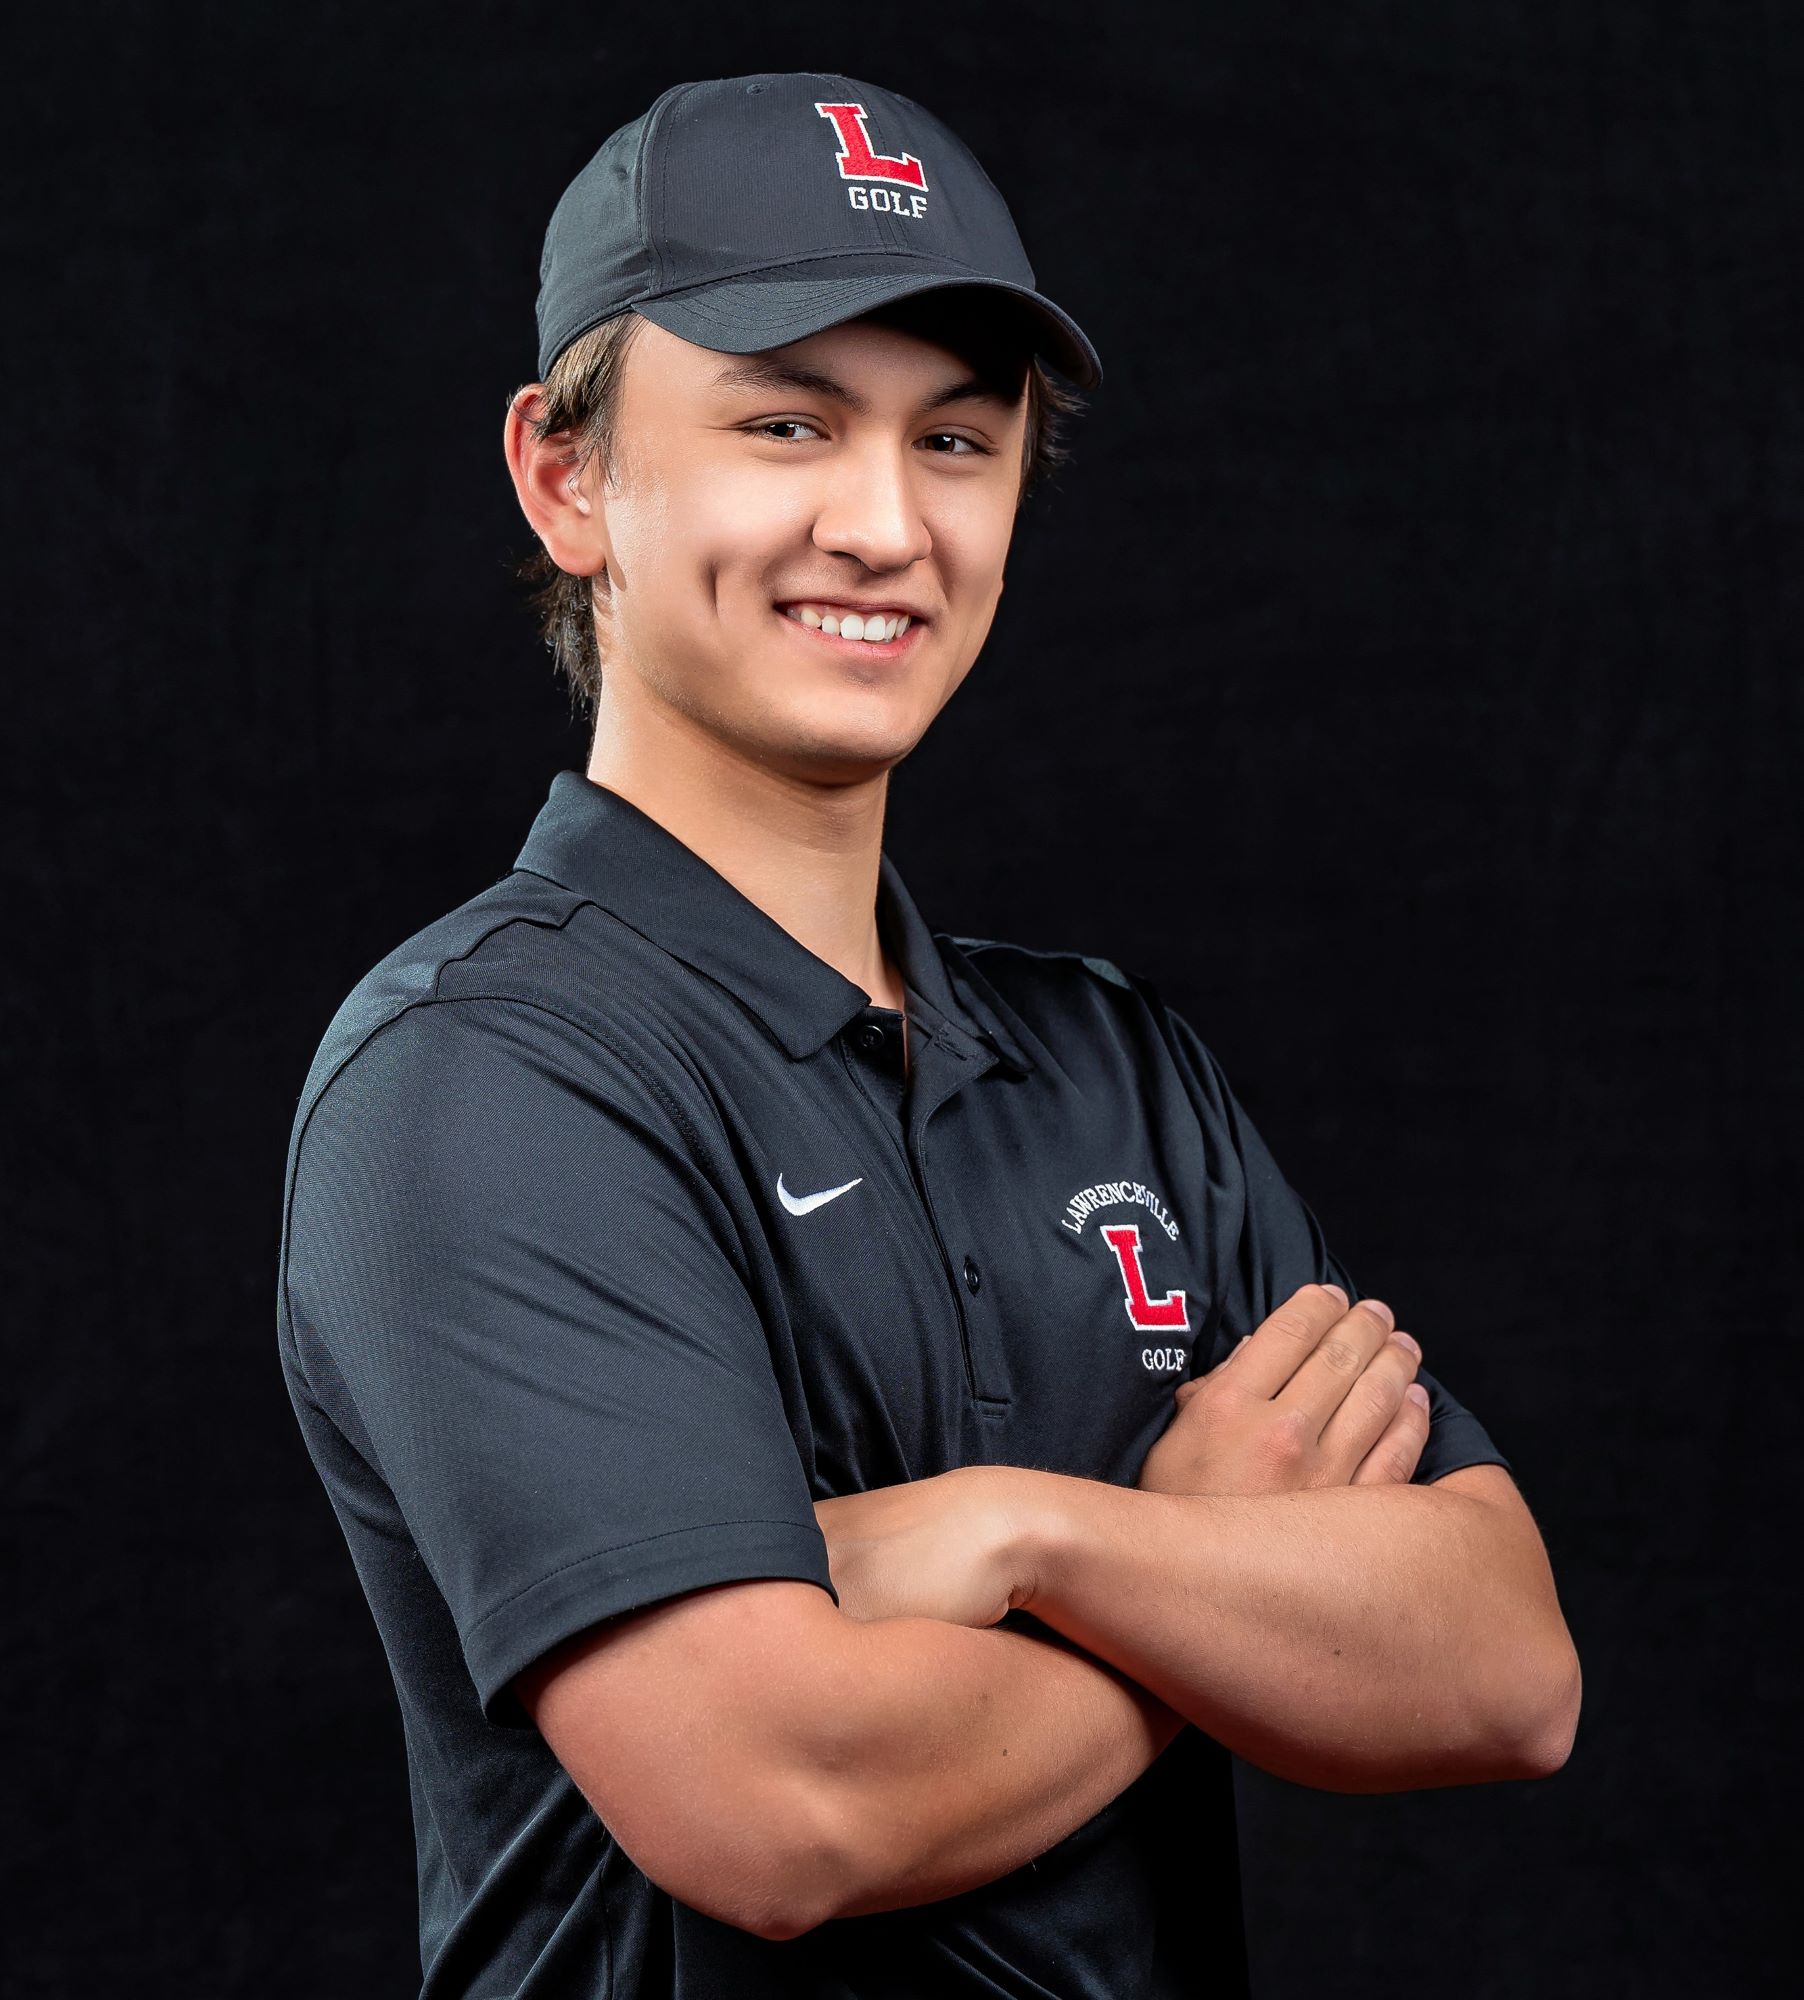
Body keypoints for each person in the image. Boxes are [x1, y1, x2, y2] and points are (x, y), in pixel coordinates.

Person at [276, 71, 1580, 2000]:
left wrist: (1029, 1535)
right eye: (787, 422)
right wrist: (1200, 1575)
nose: (885, 525)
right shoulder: (485, 1080)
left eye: (956, 441)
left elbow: (1500, 1663)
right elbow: (780, 1805)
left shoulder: (1115, 1066)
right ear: (570, 480)